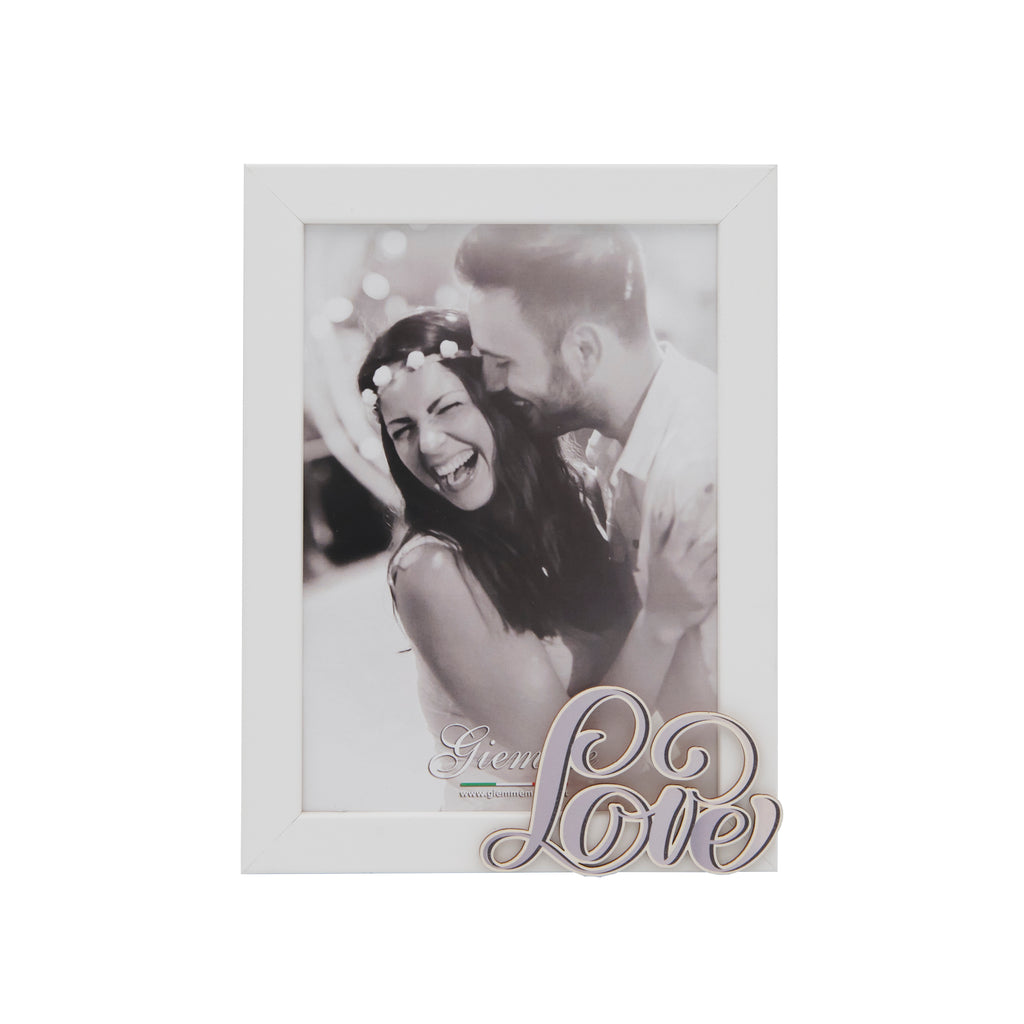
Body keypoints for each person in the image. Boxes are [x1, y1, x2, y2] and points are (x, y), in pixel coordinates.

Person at [356, 310, 632, 790]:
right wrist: (663, 623)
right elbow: (566, 769)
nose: (429, 443)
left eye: (447, 408)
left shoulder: (578, 495)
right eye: (403, 430)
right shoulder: (431, 569)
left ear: (497, 404)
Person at [456, 225, 717, 730]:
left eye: (502, 362)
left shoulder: (695, 471)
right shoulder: (611, 449)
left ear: (583, 350)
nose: (489, 386)